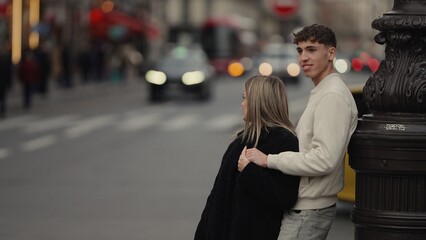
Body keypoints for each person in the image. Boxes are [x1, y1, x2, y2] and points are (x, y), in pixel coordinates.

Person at [240, 24, 358, 240]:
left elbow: (325, 159)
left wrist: (270, 160)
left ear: (331, 53)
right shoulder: (322, 92)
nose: (304, 57)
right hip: (304, 207)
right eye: (300, 51)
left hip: (309, 211)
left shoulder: (332, 97)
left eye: (312, 50)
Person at [195, 75, 300, 240]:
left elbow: (284, 197)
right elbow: (216, 198)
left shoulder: (284, 141)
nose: (242, 103)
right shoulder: (240, 141)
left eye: (245, 98)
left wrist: (249, 171)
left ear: (259, 103)